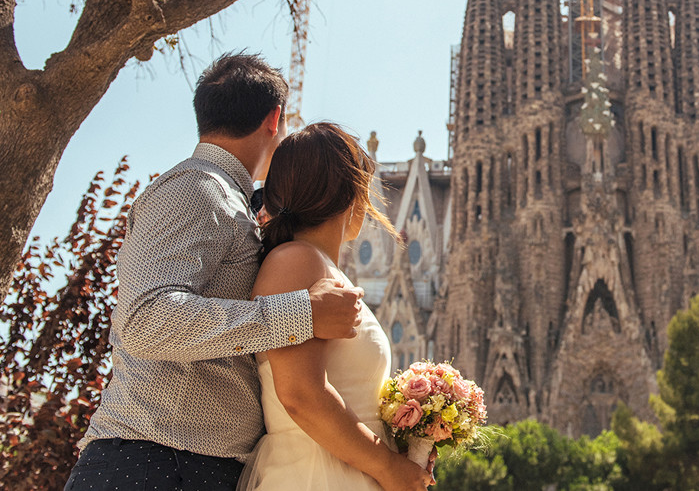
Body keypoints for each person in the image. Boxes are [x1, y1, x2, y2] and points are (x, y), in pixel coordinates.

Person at [66, 53, 364, 491]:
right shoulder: (196, 187)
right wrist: (300, 315)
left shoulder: (231, 200)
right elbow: (144, 321)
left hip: (188, 464)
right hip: (156, 460)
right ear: (274, 119)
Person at [237, 122, 433, 491]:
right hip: (316, 474)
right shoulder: (296, 260)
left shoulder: (316, 265)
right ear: (350, 195)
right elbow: (300, 395)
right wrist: (389, 467)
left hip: (346, 472)